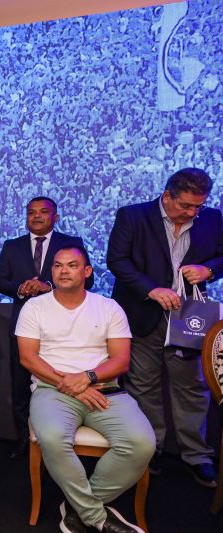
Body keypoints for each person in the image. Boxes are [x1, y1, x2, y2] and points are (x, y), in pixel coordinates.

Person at [17, 245, 155, 533]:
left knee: (142, 443)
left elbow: (121, 360)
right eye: (57, 265)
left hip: (103, 389)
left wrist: (88, 377)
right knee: (52, 438)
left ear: (87, 271)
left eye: (72, 265)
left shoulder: (108, 307)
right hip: (52, 390)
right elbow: (28, 358)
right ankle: (97, 516)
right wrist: (73, 385)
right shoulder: (34, 307)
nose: (63, 271)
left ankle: (79, 508)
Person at [107, 167, 222, 487]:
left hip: (189, 316)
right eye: (186, 206)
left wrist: (209, 270)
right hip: (143, 313)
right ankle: (150, 449)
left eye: (198, 206)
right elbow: (117, 260)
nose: (192, 213)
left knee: (192, 387)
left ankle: (197, 455)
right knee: (144, 386)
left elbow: (221, 257)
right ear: (167, 196)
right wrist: (151, 289)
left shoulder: (212, 218)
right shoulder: (133, 216)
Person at [0, 196, 93, 459]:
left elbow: (89, 281)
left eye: (43, 212)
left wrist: (48, 286)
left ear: (55, 217)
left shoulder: (71, 243)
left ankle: (60, 438)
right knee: (20, 385)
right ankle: (24, 440)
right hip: (23, 326)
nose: (36, 216)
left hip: (63, 327)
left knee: (57, 378)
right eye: (31, 212)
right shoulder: (12, 245)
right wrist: (21, 288)